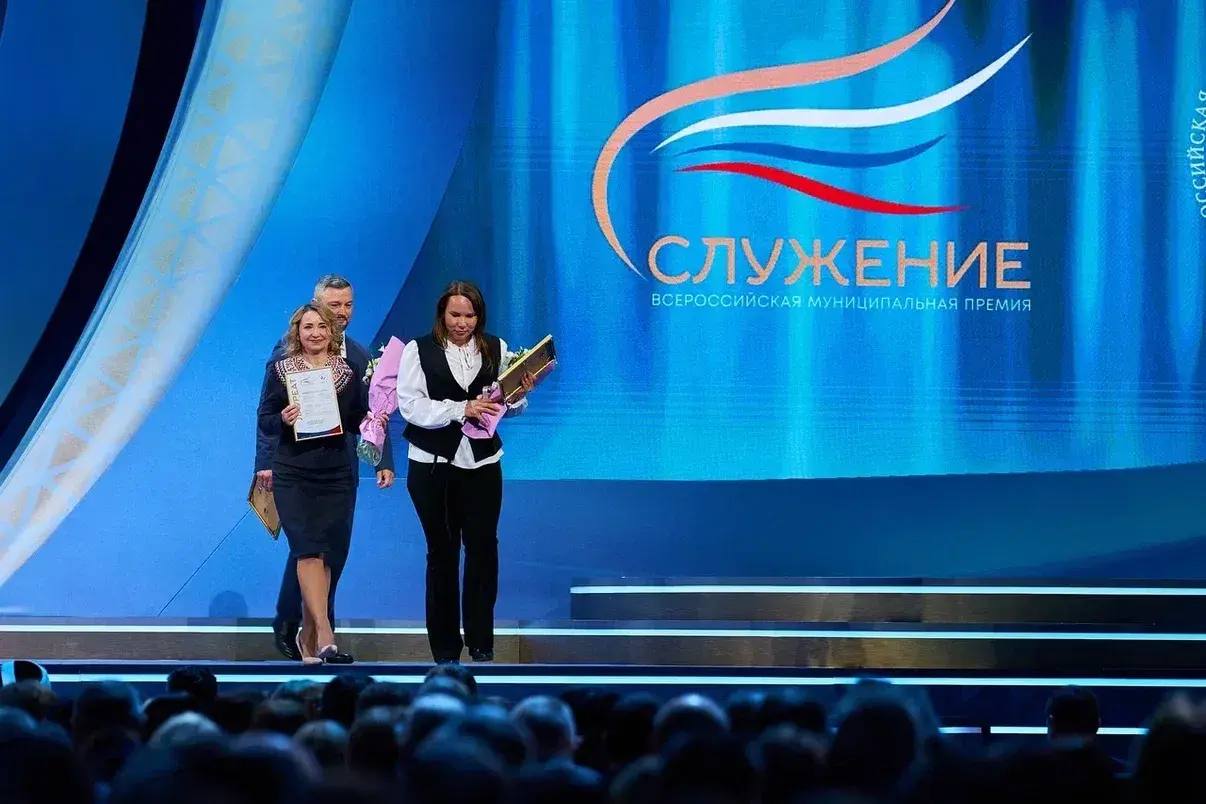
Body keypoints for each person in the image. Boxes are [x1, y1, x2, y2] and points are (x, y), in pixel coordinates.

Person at [255, 274, 394, 662]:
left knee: (332, 551)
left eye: (347, 305)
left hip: (339, 467)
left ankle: (313, 635)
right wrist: (265, 463)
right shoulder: (283, 360)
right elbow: (266, 414)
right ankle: (306, 627)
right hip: (294, 466)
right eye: (333, 306)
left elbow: (369, 413)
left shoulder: (357, 358)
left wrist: (382, 458)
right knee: (307, 547)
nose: (341, 313)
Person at [397, 280, 533, 664]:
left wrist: (519, 394)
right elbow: (411, 406)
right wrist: (460, 409)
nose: (462, 323)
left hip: (482, 464)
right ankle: (444, 649)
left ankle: (481, 641)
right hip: (432, 466)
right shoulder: (417, 350)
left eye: (469, 315)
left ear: (479, 316)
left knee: (483, 550)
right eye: (455, 314)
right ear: (442, 313)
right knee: (442, 554)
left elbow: (504, 406)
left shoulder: (496, 348)